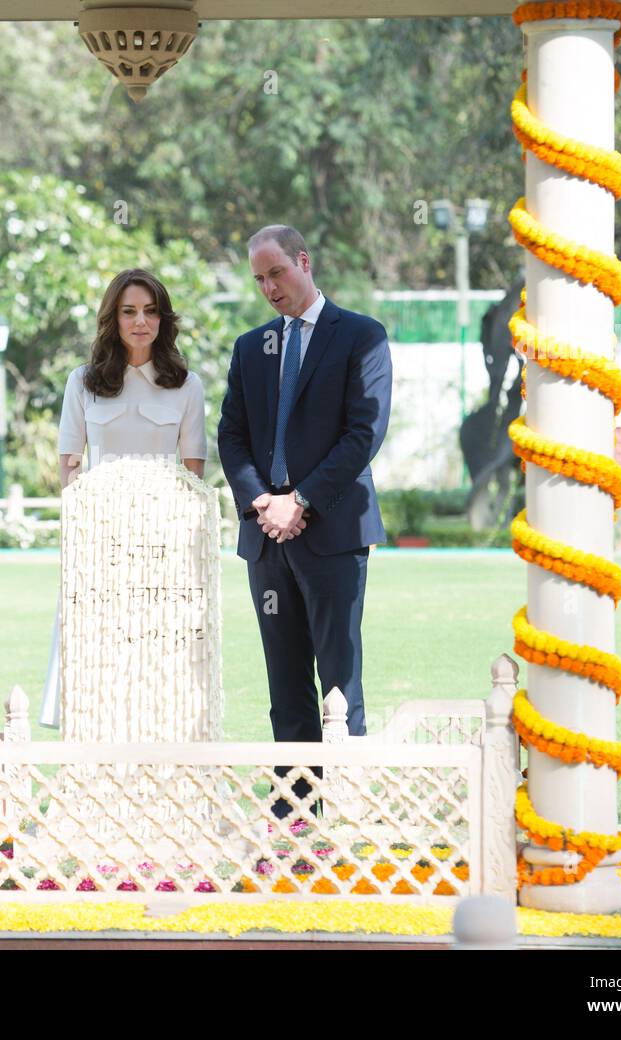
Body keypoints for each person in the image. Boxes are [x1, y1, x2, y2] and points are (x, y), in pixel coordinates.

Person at [217, 225, 392, 819]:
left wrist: (303, 500)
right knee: (285, 685)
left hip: (335, 534)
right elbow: (232, 437)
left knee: (341, 680)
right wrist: (263, 501)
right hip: (266, 539)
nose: (269, 288)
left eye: (277, 273)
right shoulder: (250, 348)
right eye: (259, 279)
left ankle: (347, 810)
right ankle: (293, 817)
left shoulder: (362, 337)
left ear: (304, 261)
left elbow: (363, 432)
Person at [39, 268, 208, 729]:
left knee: (154, 664)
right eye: (129, 311)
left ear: (163, 320)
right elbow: (70, 466)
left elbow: (192, 473)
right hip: (98, 542)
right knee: (96, 660)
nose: (140, 322)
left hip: (160, 546)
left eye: (150, 312)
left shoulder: (187, 386)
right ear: (112, 318)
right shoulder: (83, 381)